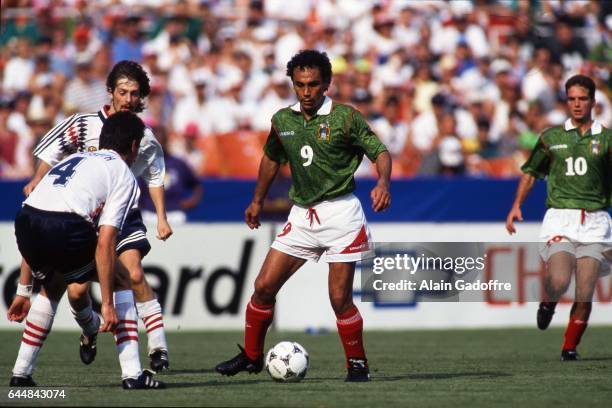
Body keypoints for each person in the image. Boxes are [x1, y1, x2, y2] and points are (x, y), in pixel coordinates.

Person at [215, 50, 391, 382]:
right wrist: (257, 201)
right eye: (300, 85)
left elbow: (379, 151)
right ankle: (252, 356)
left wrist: (383, 181)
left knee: (339, 298)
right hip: (302, 215)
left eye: (313, 85)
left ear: (326, 84)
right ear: (293, 84)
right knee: (263, 287)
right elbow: (271, 158)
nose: (306, 92)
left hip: (341, 214)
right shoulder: (283, 120)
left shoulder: (345, 118)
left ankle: (357, 366)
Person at [22, 60, 173, 371]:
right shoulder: (83, 123)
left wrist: (161, 217)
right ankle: (90, 329)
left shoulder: (144, 136)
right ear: (110, 92)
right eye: (123, 92)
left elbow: (155, 177)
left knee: (131, 274)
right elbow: (52, 150)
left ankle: (158, 348)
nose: (129, 99)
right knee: (76, 292)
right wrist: (38, 178)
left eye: (135, 93)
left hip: (121, 212)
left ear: (141, 96)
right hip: (82, 216)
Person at [8, 112, 164, 389]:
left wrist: (23, 290)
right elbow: (105, 243)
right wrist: (107, 303)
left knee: (53, 285)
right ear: (133, 146)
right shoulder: (122, 173)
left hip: (25, 222)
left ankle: (21, 373)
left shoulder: (73, 159)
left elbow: (37, 211)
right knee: (122, 278)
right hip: (65, 225)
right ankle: (133, 374)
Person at [506, 74, 611, 361]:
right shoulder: (551, 137)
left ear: (593, 101)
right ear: (567, 101)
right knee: (560, 278)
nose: (577, 104)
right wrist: (517, 205)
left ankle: (569, 347)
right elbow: (530, 172)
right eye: (572, 99)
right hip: (560, 219)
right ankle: (549, 300)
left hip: (596, 222)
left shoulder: (606, 138)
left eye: (583, 99)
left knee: (586, 289)